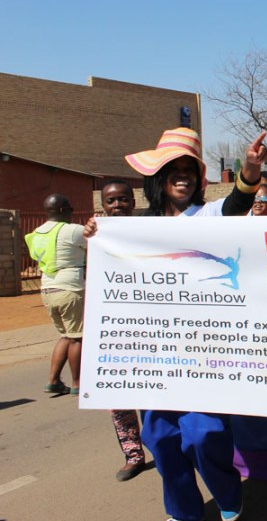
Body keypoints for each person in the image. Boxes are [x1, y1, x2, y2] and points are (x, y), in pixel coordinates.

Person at [86, 127, 267, 521]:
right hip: (157, 353)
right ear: (159, 177)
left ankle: (228, 498)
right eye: (174, 168)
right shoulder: (139, 227)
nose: (182, 176)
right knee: (162, 439)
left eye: (190, 169)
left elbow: (238, 201)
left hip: (205, 351)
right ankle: (183, 512)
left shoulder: (210, 215)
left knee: (205, 435)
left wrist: (251, 170)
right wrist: (96, 236)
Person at [98, 180, 148, 482]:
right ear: (103, 205)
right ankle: (133, 455)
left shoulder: (150, 231)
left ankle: (165, 447)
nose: (118, 205)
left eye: (123, 199)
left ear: (133, 201)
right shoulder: (95, 235)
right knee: (119, 399)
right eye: (111, 200)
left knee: (155, 396)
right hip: (114, 329)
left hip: (151, 327)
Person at [25, 194, 86, 396]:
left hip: (48, 290)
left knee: (65, 336)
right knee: (77, 338)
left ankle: (53, 380)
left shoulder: (36, 233)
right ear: (62, 210)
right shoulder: (72, 231)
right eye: (70, 208)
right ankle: (78, 383)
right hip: (70, 289)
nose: (72, 212)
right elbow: (97, 243)